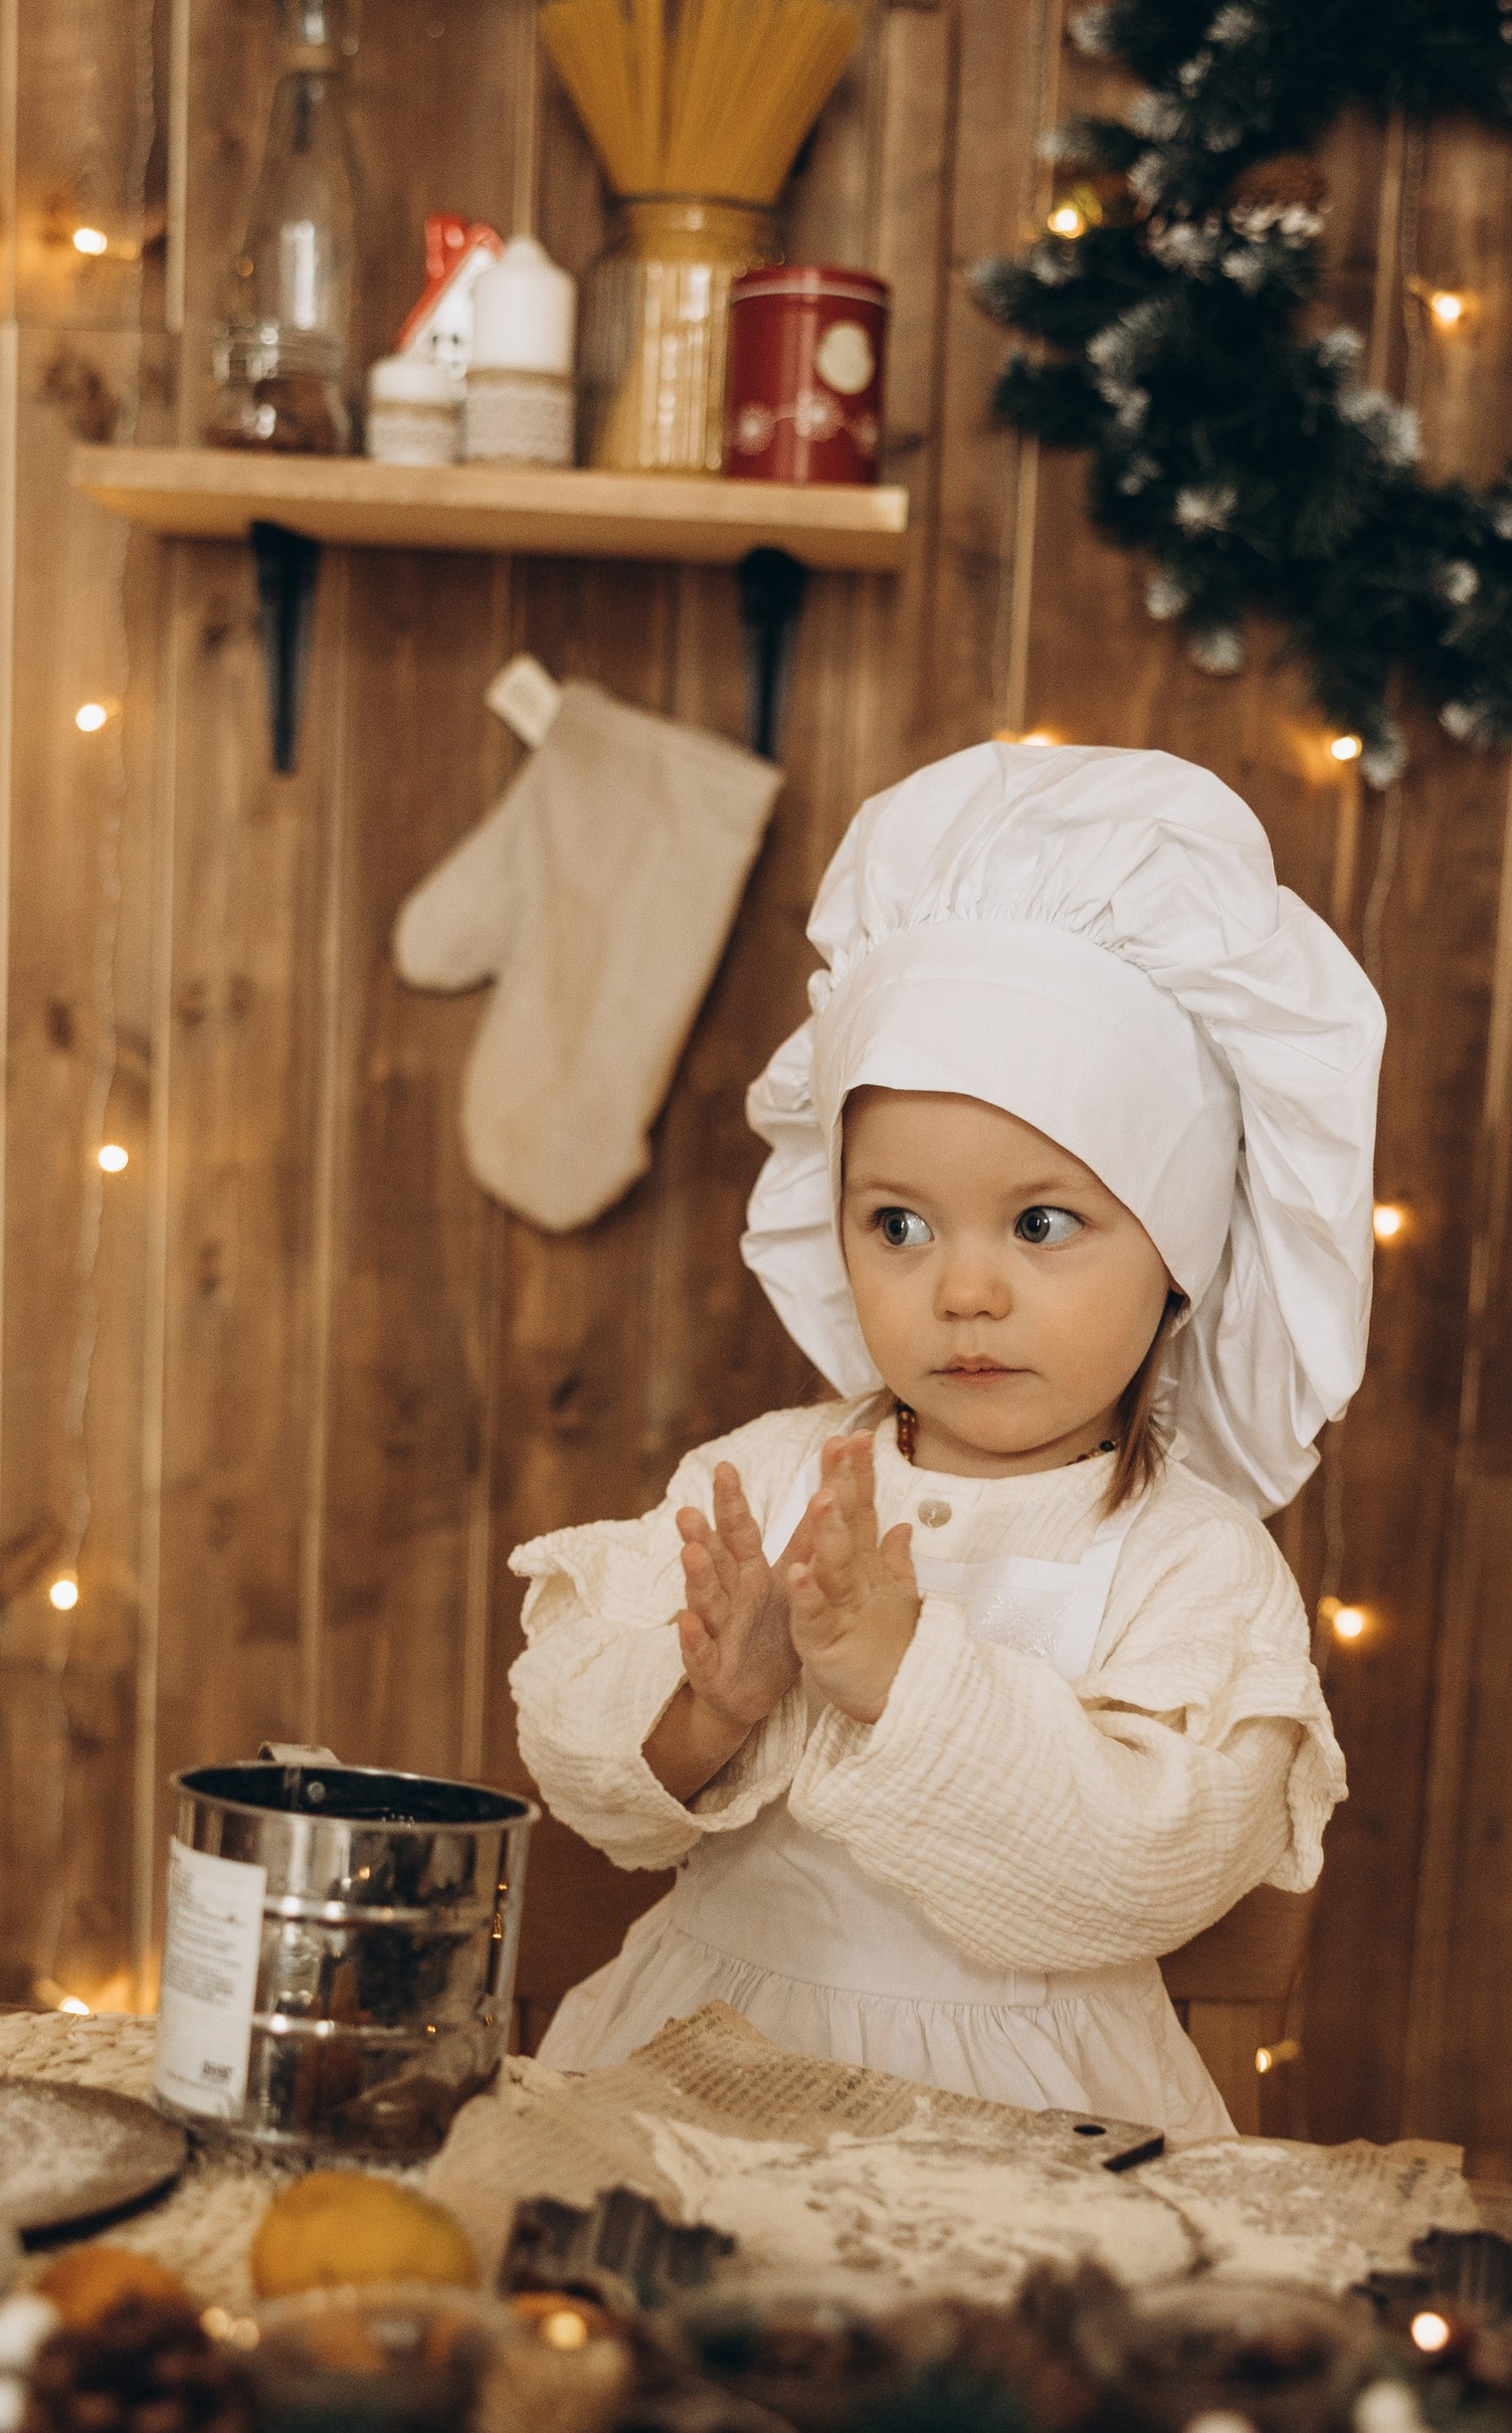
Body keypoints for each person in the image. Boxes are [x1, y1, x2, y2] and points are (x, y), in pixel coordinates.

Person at [508, 737, 1385, 2140]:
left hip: (1025, 2114)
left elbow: (1146, 1869)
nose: (963, 1289)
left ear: (1178, 1251)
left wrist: (901, 1677)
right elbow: (577, 1759)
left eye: (1042, 1224)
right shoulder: (774, 1478)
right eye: (898, 1225)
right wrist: (708, 1709)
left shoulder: (1185, 1560)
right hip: (691, 2064)